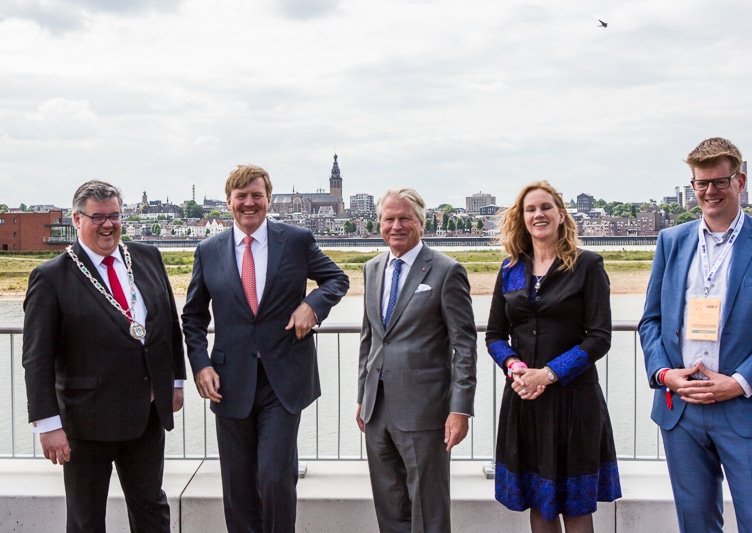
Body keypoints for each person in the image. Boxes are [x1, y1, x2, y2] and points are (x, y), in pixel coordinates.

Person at [639, 137, 752, 532]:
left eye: (720, 181)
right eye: (701, 183)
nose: (710, 191)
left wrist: (738, 383)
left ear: (740, 181)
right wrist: (665, 376)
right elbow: (651, 322)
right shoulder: (672, 241)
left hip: (749, 409)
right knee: (696, 526)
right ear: (692, 186)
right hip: (683, 411)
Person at [182, 165, 349, 533]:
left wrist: (313, 305)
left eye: (257, 195)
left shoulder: (296, 240)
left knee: (275, 477)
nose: (249, 203)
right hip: (228, 382)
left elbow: (337, 278)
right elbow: (192, 317)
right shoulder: (207, 251)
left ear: (270, 200)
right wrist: (200, 364)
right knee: (238, 487)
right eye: (241, 196)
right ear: (229, 203)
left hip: (283, 379)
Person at [22, 180, 186, 532]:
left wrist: (173, 380)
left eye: (114, 216)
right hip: (85, 423)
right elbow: (36, 358)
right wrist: (48, 425)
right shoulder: (51, 277)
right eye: (97, 218)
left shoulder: (148, 257)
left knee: (151, 509)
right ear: (77, 219)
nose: (108, 225)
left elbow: (169, 324)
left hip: (145, 415)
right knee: (86, 519)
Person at [485, 181, 621, 532]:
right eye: (530, 209)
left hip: (574, 401)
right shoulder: (510, 269)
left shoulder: (587, 265)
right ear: (522, 218)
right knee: (539, 504)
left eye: (546, 207)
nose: (538, 214)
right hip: (525, 400)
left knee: (575, 507)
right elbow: (496, 336)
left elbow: (599, 338)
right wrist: (515, 368)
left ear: (561, 215)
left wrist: (548, 374)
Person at [356, 186, 478, 533]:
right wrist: (361, 397)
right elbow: (370, 339)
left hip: (426, 412)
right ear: (379, 223)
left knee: (429, 509)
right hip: (376, 410)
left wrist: (460, 409)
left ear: (421, 224)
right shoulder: (372, 268)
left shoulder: (446, 271)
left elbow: (464, 347)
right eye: (389, 219)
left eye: (404, 218)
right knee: (389, 507)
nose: (396, 225)